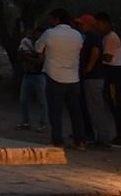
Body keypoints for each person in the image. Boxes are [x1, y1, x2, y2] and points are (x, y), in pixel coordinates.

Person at [34, 8, 86, 149]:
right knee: (75, 111)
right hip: (74, 77)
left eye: (51, 18)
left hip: (54, 76)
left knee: (55, 111)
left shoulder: (50, 33)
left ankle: (57, 140)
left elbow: (38, 47)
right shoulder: (77, 35)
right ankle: (79, 140)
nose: (50, 21)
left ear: (56, 19)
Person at [76, 13, 114, 147]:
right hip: (94, 77)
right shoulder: (92, 36)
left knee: (95, 108)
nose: (79, 25)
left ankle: (103, 139)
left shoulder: (93, 37)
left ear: (88, 24)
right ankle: (101, 137)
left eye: (81, 23)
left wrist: (89, 67)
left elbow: (96, 51)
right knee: (94, 107)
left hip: (93, 78)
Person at [96, 12, 121, 147]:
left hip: (114, 76)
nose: (97, 27)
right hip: (112, 75)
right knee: (114, 105)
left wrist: (95, 57)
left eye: (98, 24)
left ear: (105, 22)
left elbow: (108, 57)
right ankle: (119, 136)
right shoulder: (108, 37)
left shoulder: (111, 38)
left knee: (115, 106)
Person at [17, 26, 48, 131]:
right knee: (24, 99)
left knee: (42, 101)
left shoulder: (44, 45)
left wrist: (27, 57)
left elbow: (39, 61)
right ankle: (26, 122)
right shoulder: (28, 42)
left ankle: (43, 123)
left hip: (39, 75)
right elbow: (21, 56)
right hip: (29, 74)